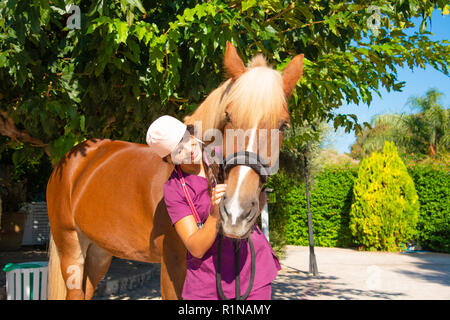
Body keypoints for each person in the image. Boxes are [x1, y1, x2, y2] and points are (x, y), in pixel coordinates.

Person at [146, 115, 281, 300]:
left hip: (252, 267)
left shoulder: (223, 153)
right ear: (169, 159)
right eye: (178, 149)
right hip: (210, 281)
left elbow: (256, 195)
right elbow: (195, 248)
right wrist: (216, 213)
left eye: (186, 139)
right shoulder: (174, 189)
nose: (188, 149)